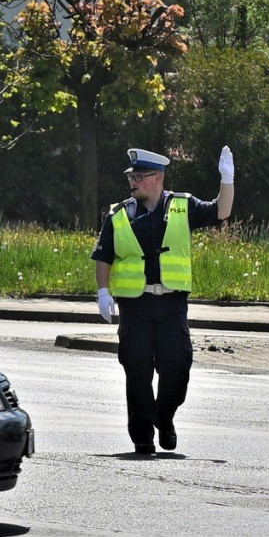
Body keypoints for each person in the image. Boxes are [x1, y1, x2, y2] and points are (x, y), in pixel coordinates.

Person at [91, 146, 235, 454]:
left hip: (171, 305)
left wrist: (228, 179)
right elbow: (104, 257)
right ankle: (142, 436)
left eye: (140, 177)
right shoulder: (119, 214)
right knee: (137, 371)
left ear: (157, 178)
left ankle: (164, 417)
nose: (133, 182)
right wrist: (103, 292)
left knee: (178, 367)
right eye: (132, 177)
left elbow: (221, 211)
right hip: (135, 305)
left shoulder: (183, 206)